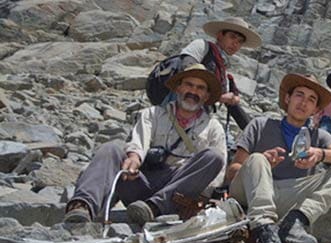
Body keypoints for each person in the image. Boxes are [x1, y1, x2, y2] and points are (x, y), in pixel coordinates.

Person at [227, 73, 331, 243]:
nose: (303, 103)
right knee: (256, 159)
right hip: (251, 194)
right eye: (299, 95)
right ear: (287, 99)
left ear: (316, 109)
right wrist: (262, 163)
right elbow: (232, 172)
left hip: (289, 196)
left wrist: (319, 154)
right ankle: (264, 231)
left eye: (311, 99)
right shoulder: (260, 125)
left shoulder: (318, 136)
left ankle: (297, 221)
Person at [64, 65, 226, 225]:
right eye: (189, 85)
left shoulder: (213, 127)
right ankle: (82, 206)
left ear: (206, 96)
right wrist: (133, 159)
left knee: (214, 156)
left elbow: (218, 173)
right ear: (178, 88)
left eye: (200, 88)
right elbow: (139, 142)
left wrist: (201, 200)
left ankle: (154, 207)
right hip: (143, 179)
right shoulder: (153, 114)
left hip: (178, 192)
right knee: (111, 149)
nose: (193, 91)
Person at [180, 17, 262, 131]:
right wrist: (219, 97)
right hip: (178, 113)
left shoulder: (223, 73)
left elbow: (233, 107)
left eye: (240, 41)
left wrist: (253, 133)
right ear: (219, 35)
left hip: (198, 123)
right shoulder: (201, 46)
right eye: (232, 37)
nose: (235, 44)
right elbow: (187, 71)